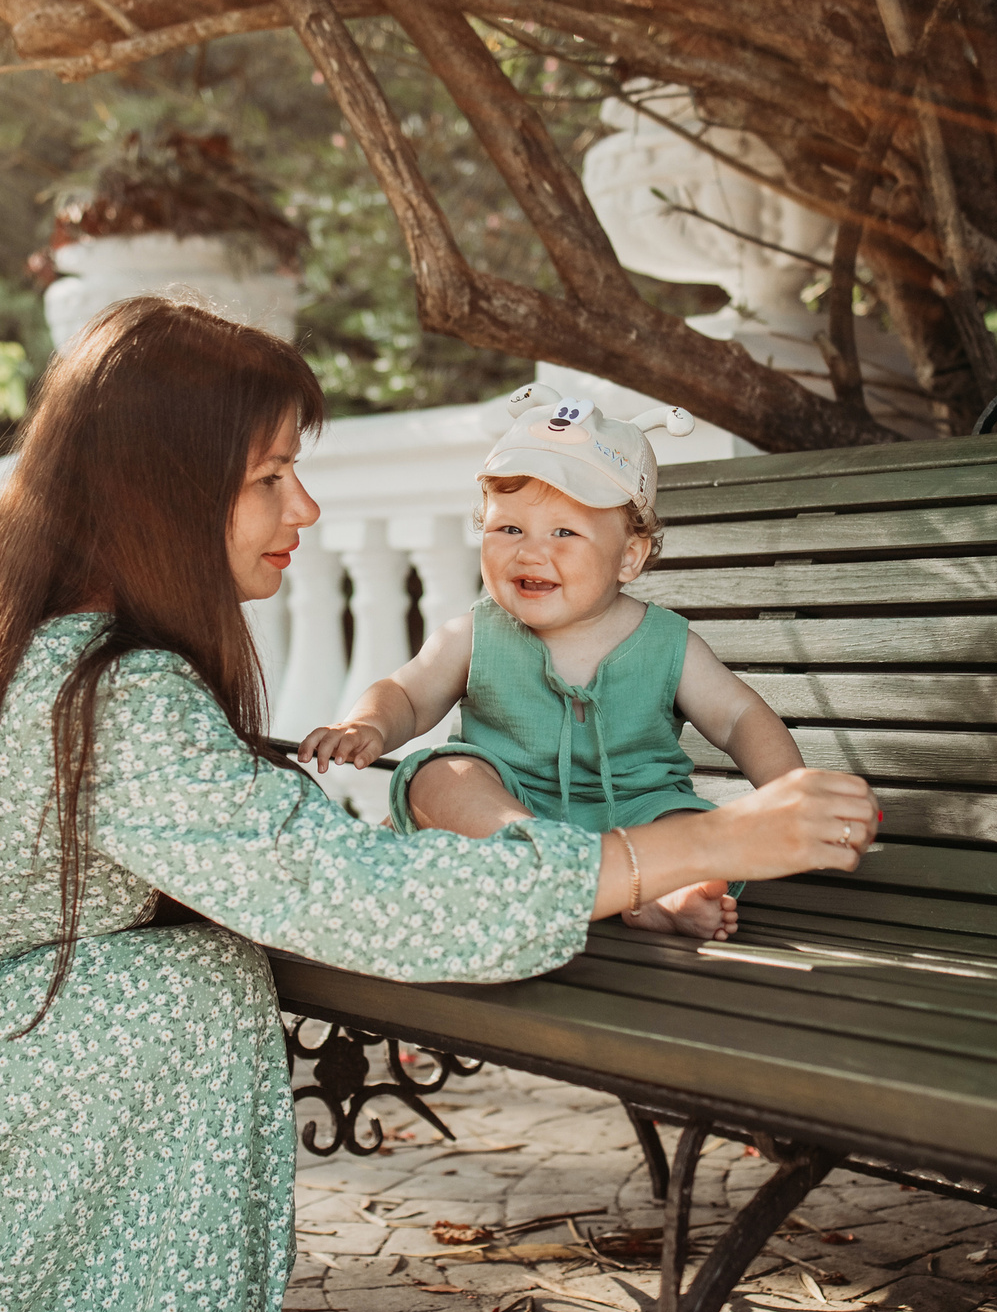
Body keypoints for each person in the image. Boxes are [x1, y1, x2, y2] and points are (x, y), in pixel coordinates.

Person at [0, 298, 879, 1312]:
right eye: (271, 477)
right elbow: (357, 901)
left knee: (187, 962)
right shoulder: (111, 691)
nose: (303, 511)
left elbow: (286, 859)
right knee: (176, 987)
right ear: (165, 489)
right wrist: (704, 840)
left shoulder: (13, 633)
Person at [297, 386, 811, 939]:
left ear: (629, 557)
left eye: (564, 532)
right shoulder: (477, 633)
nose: (530, 551)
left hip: (635, 818)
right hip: (510, 816)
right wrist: (367, 723)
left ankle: (667, 894)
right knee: (439, 775)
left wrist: (790, 793)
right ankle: (539, 860)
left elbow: (739, 719)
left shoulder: (668, 643)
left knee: (685, 824)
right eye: (508, 529)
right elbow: (407, 692)